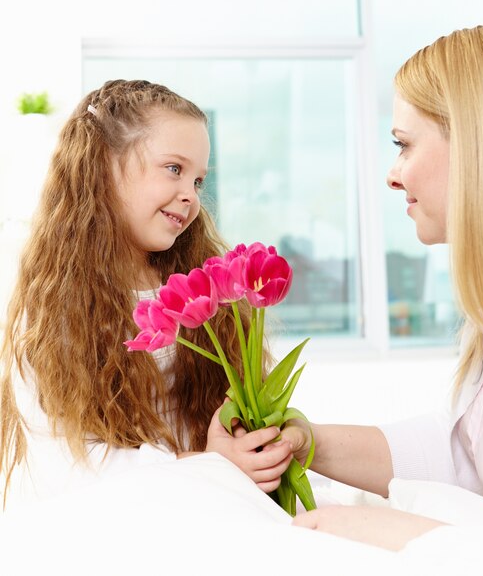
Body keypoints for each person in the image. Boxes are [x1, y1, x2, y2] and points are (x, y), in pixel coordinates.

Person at [281, 25, 483, 550]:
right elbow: (462, 454)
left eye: (404, 145)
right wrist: (304, 442)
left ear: (478, 147)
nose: (393, 176)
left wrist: (402, 532)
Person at [0, 79, 292, 507]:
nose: (190, 196)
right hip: (126, 514)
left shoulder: (202, 287)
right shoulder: (51, 309)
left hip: (211, 504)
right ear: (102, 164)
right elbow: (76, 465)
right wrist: (210, 465)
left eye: (198, 180)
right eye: (174, 169)